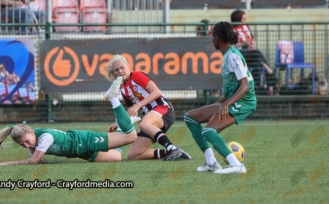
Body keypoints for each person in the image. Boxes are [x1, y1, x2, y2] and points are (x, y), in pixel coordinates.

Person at [0, 77, 137, 164]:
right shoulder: (33, 143)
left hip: (83, 141)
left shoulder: (44, 137)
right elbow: (38, 160)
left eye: (26, 141)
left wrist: (6, 164)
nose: (26, 146)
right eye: (22, 145)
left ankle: (114, 99)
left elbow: (34, 161)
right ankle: (122, 125)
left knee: (131, 137)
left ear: (31, 132)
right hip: (80, 153)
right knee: (116, 156)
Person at [184, 22, 257, 174]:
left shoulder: (233, 57)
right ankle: (211, 162)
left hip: (244, 103)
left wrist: (225, 105)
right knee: (190, 118)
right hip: (234, 100)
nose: (212, 40)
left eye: (213, 37)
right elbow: (234, 87)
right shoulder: (228, 55)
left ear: (217, 38)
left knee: (209, 131)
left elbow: (245, 86)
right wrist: (220, 103)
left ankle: (237, 165)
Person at [104, 55, 191, 161]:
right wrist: (118, 123)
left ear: (128, 66)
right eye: (116, 70)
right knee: (133, 155)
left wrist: (138, 105)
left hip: (163, 108)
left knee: (144, 124)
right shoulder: (122, 88)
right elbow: (133, 112)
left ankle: (172, 148)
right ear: (113, 73)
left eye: (122, 67)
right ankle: (172, 152)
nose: (120, 71)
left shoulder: (136, 75)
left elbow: (156, 92)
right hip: (150, 118)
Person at [230, 10, 276, 89]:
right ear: (237, 19)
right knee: (257, 53)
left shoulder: (246, 27)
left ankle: (260, 86)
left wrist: (252, 44)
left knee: (257, 62)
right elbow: (230, 46)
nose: (245, 20)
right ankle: (270, 71)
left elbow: (253, 39)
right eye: (243, 19)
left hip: (250, 52)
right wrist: (242, 44)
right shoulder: (231, 30)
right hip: (239, 54)